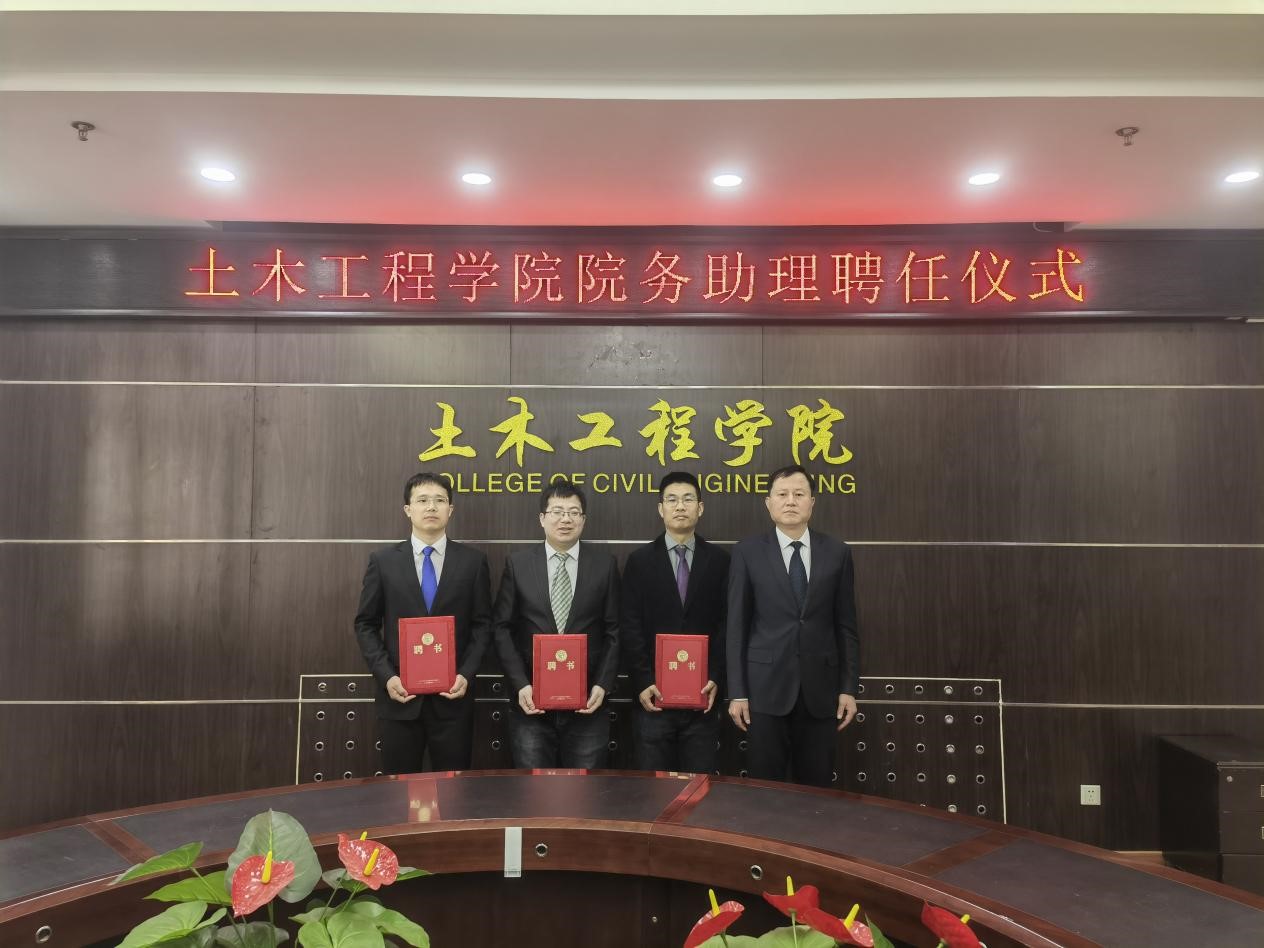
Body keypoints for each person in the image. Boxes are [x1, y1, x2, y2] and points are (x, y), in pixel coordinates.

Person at [726, 464, 860, 787]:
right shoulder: (747, 552)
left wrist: (848, 688)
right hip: (764, 691)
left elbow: (846, 626)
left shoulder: (837, 552)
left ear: (811, 502)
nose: (790, 501)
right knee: (765, 788)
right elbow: (736, 627)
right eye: (782, 494)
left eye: (799, 494)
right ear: (768, 503)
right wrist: (738, 693)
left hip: (821, 692)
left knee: (816, 790)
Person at [353, 472, 493, 774]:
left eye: (440, 500)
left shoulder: (472, 562)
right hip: (399, 697)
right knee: (399, 790)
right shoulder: (383, 561)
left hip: (453, 700)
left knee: (453, 789)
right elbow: (365, 624)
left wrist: (466, 674)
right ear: (408, 509)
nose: (431, 507)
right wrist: (387, 676)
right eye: (423, 500)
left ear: (450, 509)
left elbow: (483, 625)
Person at [493, 479, 620, 768]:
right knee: (534, 789)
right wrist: (520, 684)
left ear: (583, 520)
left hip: (588, 702)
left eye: (574, 512)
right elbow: (501, 628)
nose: (566, 519)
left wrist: (603, 684)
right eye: (557, 512)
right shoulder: (518, 564)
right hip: (531, 702)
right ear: (542, 518)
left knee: (585, 789)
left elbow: (614, 629)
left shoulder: (604, 565)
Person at [621, 471, 728, 774]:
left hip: (703, 698)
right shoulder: (639, 561)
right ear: (661, 508)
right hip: (653, 698)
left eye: (687, 499)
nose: (680, 506)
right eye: (672, 500)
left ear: (700, 507)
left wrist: (716, 676)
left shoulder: (721, 561)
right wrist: (643, 681)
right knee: (653, 788)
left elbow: (727, 624)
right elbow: (630, 625)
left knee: (699, 787)